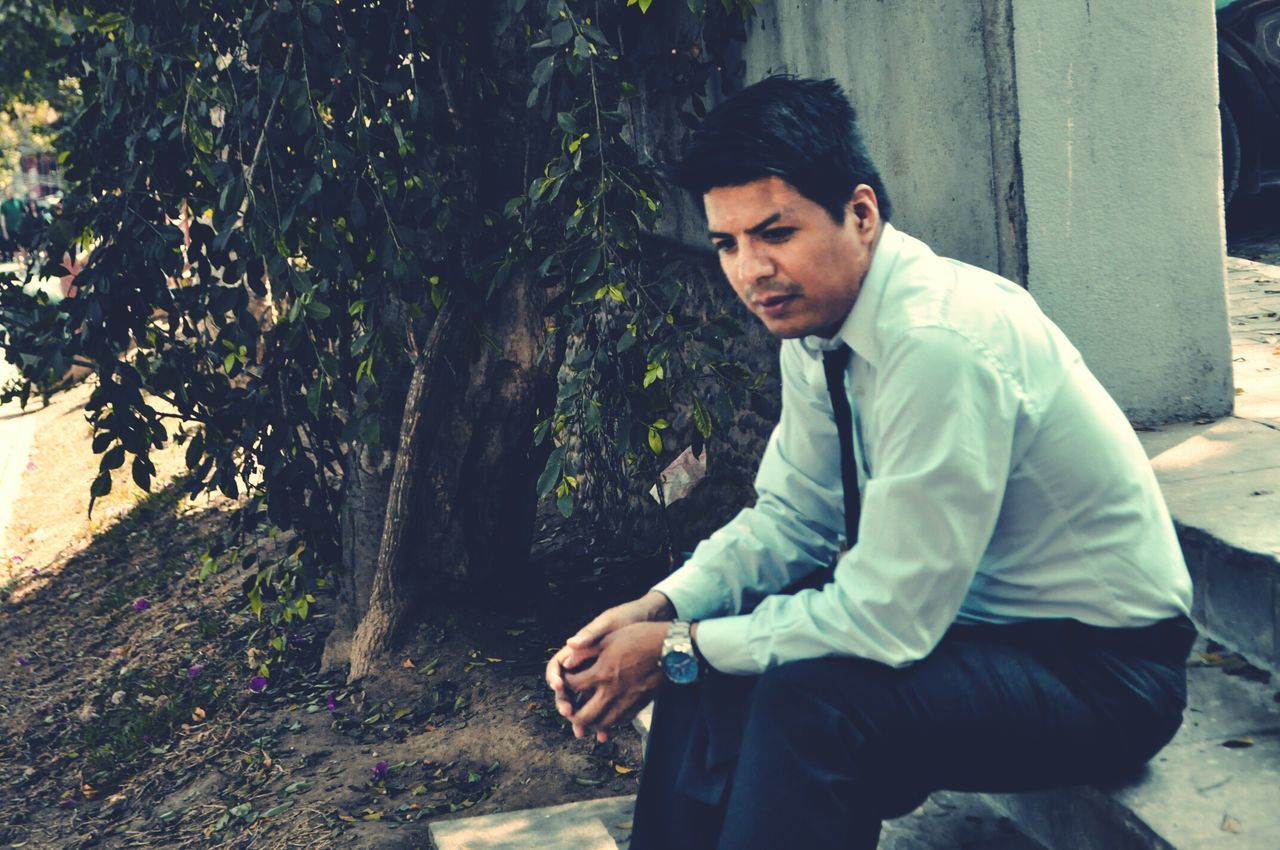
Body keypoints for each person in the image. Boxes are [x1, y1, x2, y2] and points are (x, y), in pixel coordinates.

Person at [544, 75, 1195, 850]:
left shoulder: (938, 343)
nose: (750, 271)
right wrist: (663, 609)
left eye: (775, 232)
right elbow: (796, 518)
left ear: (860, 214)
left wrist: (681, 649)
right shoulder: (820, 321)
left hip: (1103, 674)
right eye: (728, 243)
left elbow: (887, 618)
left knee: (805, 700)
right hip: (975, 632)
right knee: (707, 645)